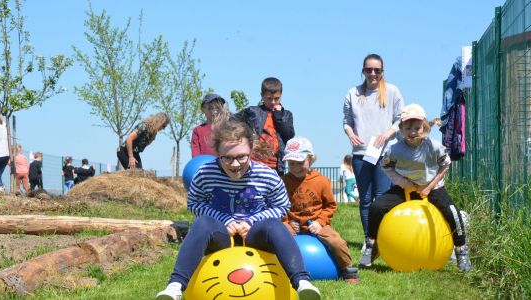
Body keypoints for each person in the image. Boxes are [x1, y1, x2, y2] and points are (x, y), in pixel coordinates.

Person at [155, 117, 320, 300]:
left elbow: (282, 206)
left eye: (241, 156)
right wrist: (226, 221)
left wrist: (250, 221)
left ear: (251, 150)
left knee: (274, 225)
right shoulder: (204, 173)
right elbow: (194, 203)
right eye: (227, 158)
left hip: (255, 234)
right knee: (202, 223)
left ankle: (302, 282)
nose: (235, 164)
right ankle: (175, 287)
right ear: (217, 153)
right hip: (221, 235)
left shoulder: (267, 175)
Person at [359, 104, 473, 272]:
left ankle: (461, 251)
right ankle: (371, 245)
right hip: (405, 188)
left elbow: (445, 166)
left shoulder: (434, 147)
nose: (412, 132)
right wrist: (405, 184)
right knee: (376, 207)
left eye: (417, 127)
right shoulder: (394, 149)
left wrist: (429, 186)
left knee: (453, 213)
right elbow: (386, 166)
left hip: (432, 188)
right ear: (401, 129)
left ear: (425, 127)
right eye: (408, 127)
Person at [342, 54, 404, 245]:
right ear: (363, 71)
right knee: (366, 200)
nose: (373, 73)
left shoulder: (392, 91)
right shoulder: (353, 93)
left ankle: (384, 239)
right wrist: (350, 134)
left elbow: (400, 119)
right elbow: (346, 121)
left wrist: (387, 134)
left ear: (382, 72)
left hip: (385, 153)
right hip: (361, 154)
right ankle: (369, 240)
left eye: (377, 70)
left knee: (382, 199)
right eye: (369, 69)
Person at [282, 137, 360, 284]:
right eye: (292, 163)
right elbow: (280, 207)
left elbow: (330, 205)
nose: (296, 167)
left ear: (310, 159)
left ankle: (348, 269)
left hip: (316, 223)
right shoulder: (283, 182)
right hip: (292, 223)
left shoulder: (321, 181)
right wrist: (288, 221)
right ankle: (279, 269)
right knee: (279, 238)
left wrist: (320, 222)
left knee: (336, 241)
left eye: (301, 163)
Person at [236, 77, 294, 175]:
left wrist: (278, 117)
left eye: (276, 98)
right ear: (262, 96)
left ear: (281, 96)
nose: (272, 102)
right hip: (253, 164)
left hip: (275, 166)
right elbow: (232, 120)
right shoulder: (253, 112)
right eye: (269, 98)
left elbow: (289, 135)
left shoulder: (286, 115)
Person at [191, 93, 227, 157]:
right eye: (210, 108)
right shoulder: (197, 130)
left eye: (218, 108)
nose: (214, 111)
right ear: (203, 109)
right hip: (205, 165)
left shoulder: (228, 128)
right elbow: (195, 156)